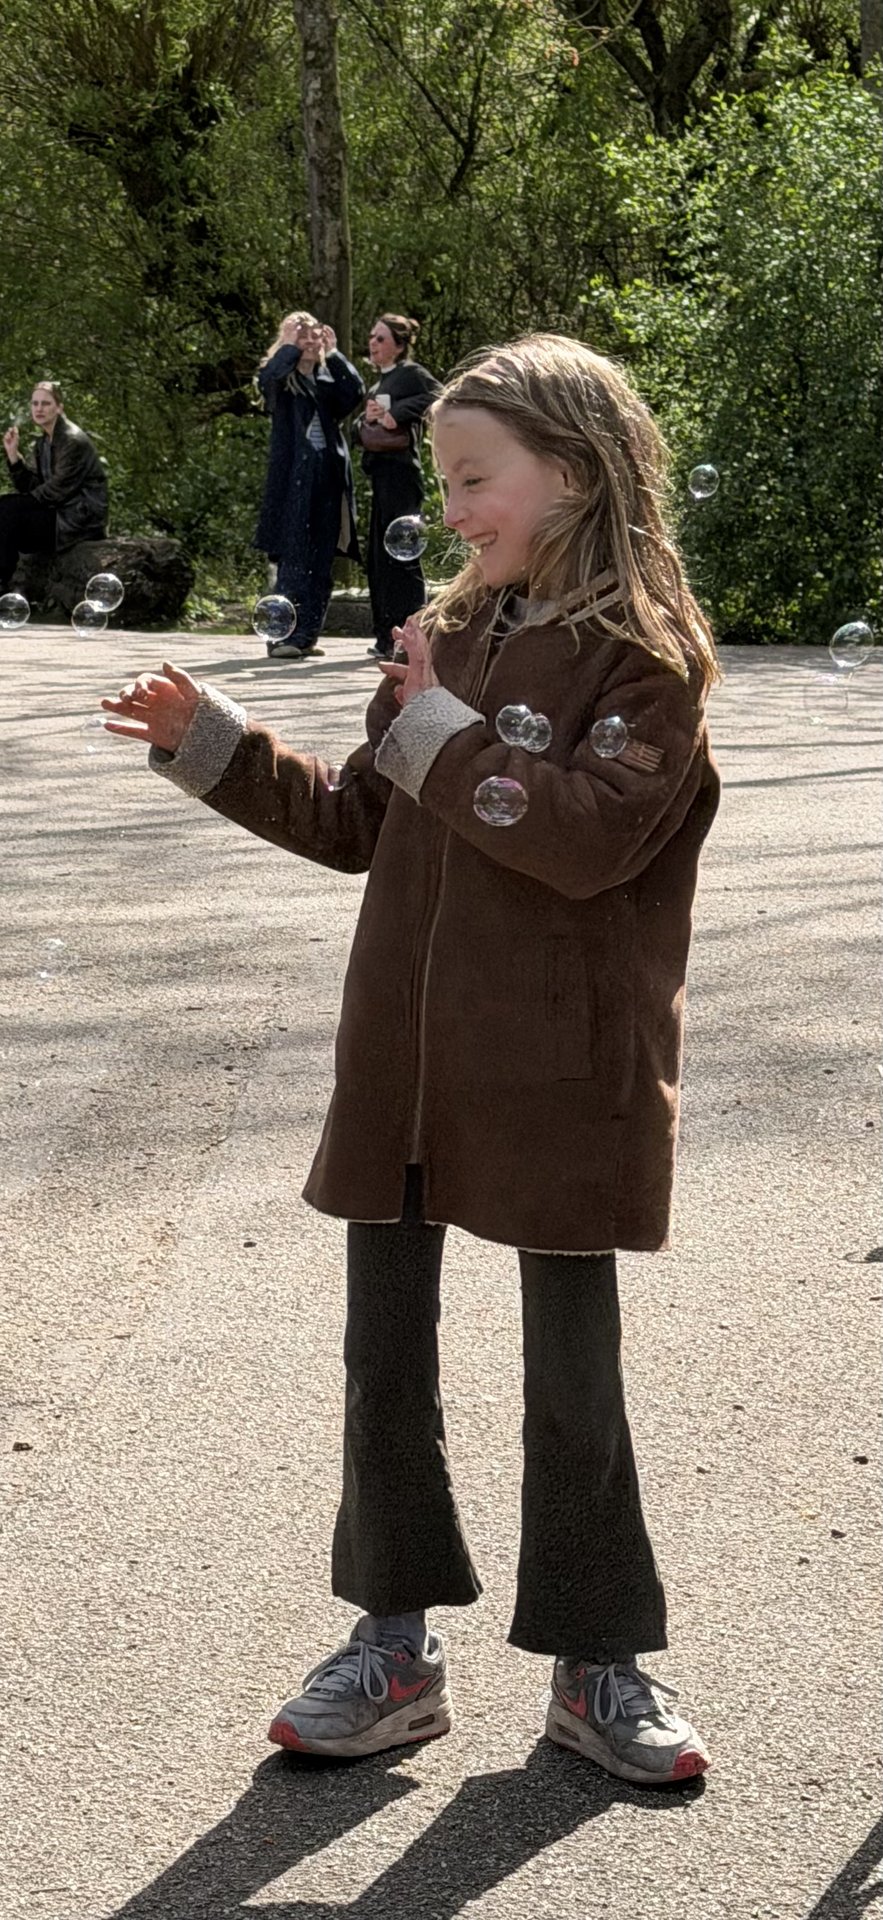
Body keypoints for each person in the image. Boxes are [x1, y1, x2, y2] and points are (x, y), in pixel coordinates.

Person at [100, 334, 721, 1788]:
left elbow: (579, 840)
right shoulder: (449, 636)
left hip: (565, 1072)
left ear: (569, 476)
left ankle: (596, 1664)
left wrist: (436, 715)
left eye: (472, 478)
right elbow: (363, 824)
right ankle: (390, 1648)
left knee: (572, 1380)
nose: (448, 509)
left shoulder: (646, 668)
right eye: (439, 481)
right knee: (383, 1362)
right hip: (407, 1069)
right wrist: (220, 746)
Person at [255, 312, 364, 660]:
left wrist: (334, 354)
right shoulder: (280, 380)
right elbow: (268, 381)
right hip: (293, 482)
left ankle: (305, 636)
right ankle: (280, 637)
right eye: (300, 334)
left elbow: (354, 395)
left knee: (321, 559)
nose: (308, 340)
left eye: (313, 334)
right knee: (294, 557)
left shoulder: (325, 379)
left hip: (328, 479)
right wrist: (287, 345)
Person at [358, 314, 441, 660]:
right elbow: (358, 432)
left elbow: (442, 396)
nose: (373, 344)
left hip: (403, 477)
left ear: (400, 344)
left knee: (403, 557)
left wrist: (399, 414)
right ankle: (384, 636)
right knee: (379, 560)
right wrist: (368, 419)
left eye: (381, 338)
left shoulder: (412, 374)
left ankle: (411, 638)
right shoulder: (377, 385)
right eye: (372, 338)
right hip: (379, 477)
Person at [1, 381, 108, 591]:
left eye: (46, 403)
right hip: (58, 513)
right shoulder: (43, 443)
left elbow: (57, 489)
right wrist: (14, 456)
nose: (39, 408)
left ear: (59, 407)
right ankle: (4, 583)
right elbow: (33, 486)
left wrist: (16, 504)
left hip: (79, 519)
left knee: (8, 508)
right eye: (35, 403)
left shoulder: (72, 440)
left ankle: (2, 582)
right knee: (6, 512)